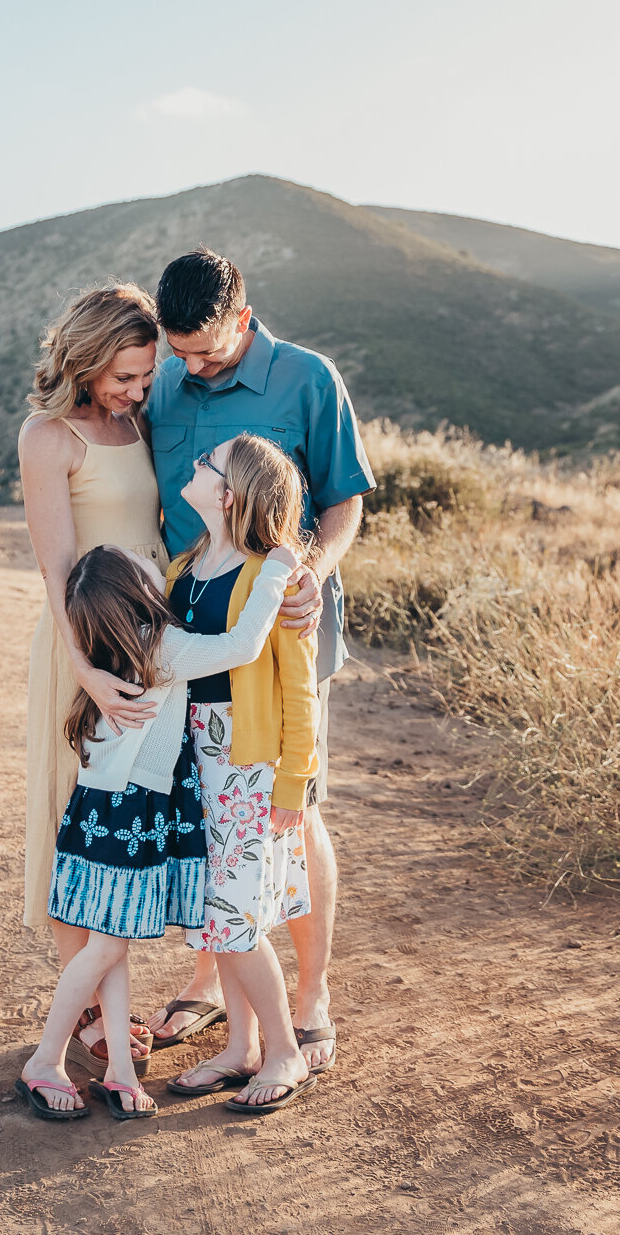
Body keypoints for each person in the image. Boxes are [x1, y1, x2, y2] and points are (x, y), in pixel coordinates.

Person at [140, 249, 374, 1076]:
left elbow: (343, 499)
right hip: (195, 637)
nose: (189, 367)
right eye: (178, 352)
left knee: (290, 809)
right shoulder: (162, 384)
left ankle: (308, 997)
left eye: (205, 350)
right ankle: (215, 979)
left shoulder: (308, 379)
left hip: (280, 637)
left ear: (243, 317)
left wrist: (314, 566)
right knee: (211, 819)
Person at [16, 538, 301, 1120]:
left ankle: (119, 1070)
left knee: (108, 948)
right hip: (131, 820)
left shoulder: (106, 654)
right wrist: (275, 572)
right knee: (102, 952)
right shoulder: (160, 647)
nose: (157, 562)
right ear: (140, 595)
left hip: (99, 817)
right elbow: (242, 647)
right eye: (148, 566)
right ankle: (45, 1059)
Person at [18, 284, 170, 1078]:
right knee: (77, 819)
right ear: (83, 358)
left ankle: (107, 999)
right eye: (124, 376)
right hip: (86, 650)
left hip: (150, 645)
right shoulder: (49, 438)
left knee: (132, 820)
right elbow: (55, 570)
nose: (137, 391)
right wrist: (85, 670)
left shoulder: (140, 421)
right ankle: (89, 1012)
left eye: (145, 376)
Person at [163, 435, 322, 1112]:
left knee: (237, 918)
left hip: (249, 772)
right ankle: (240, 1047)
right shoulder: (184, 569)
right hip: (196, 769)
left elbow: (301, 688)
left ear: (228, 495)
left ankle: (283, 1049)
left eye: (208, 463)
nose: (194, 464)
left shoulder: (272, 576)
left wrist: (295, 782)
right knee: (214, 914)